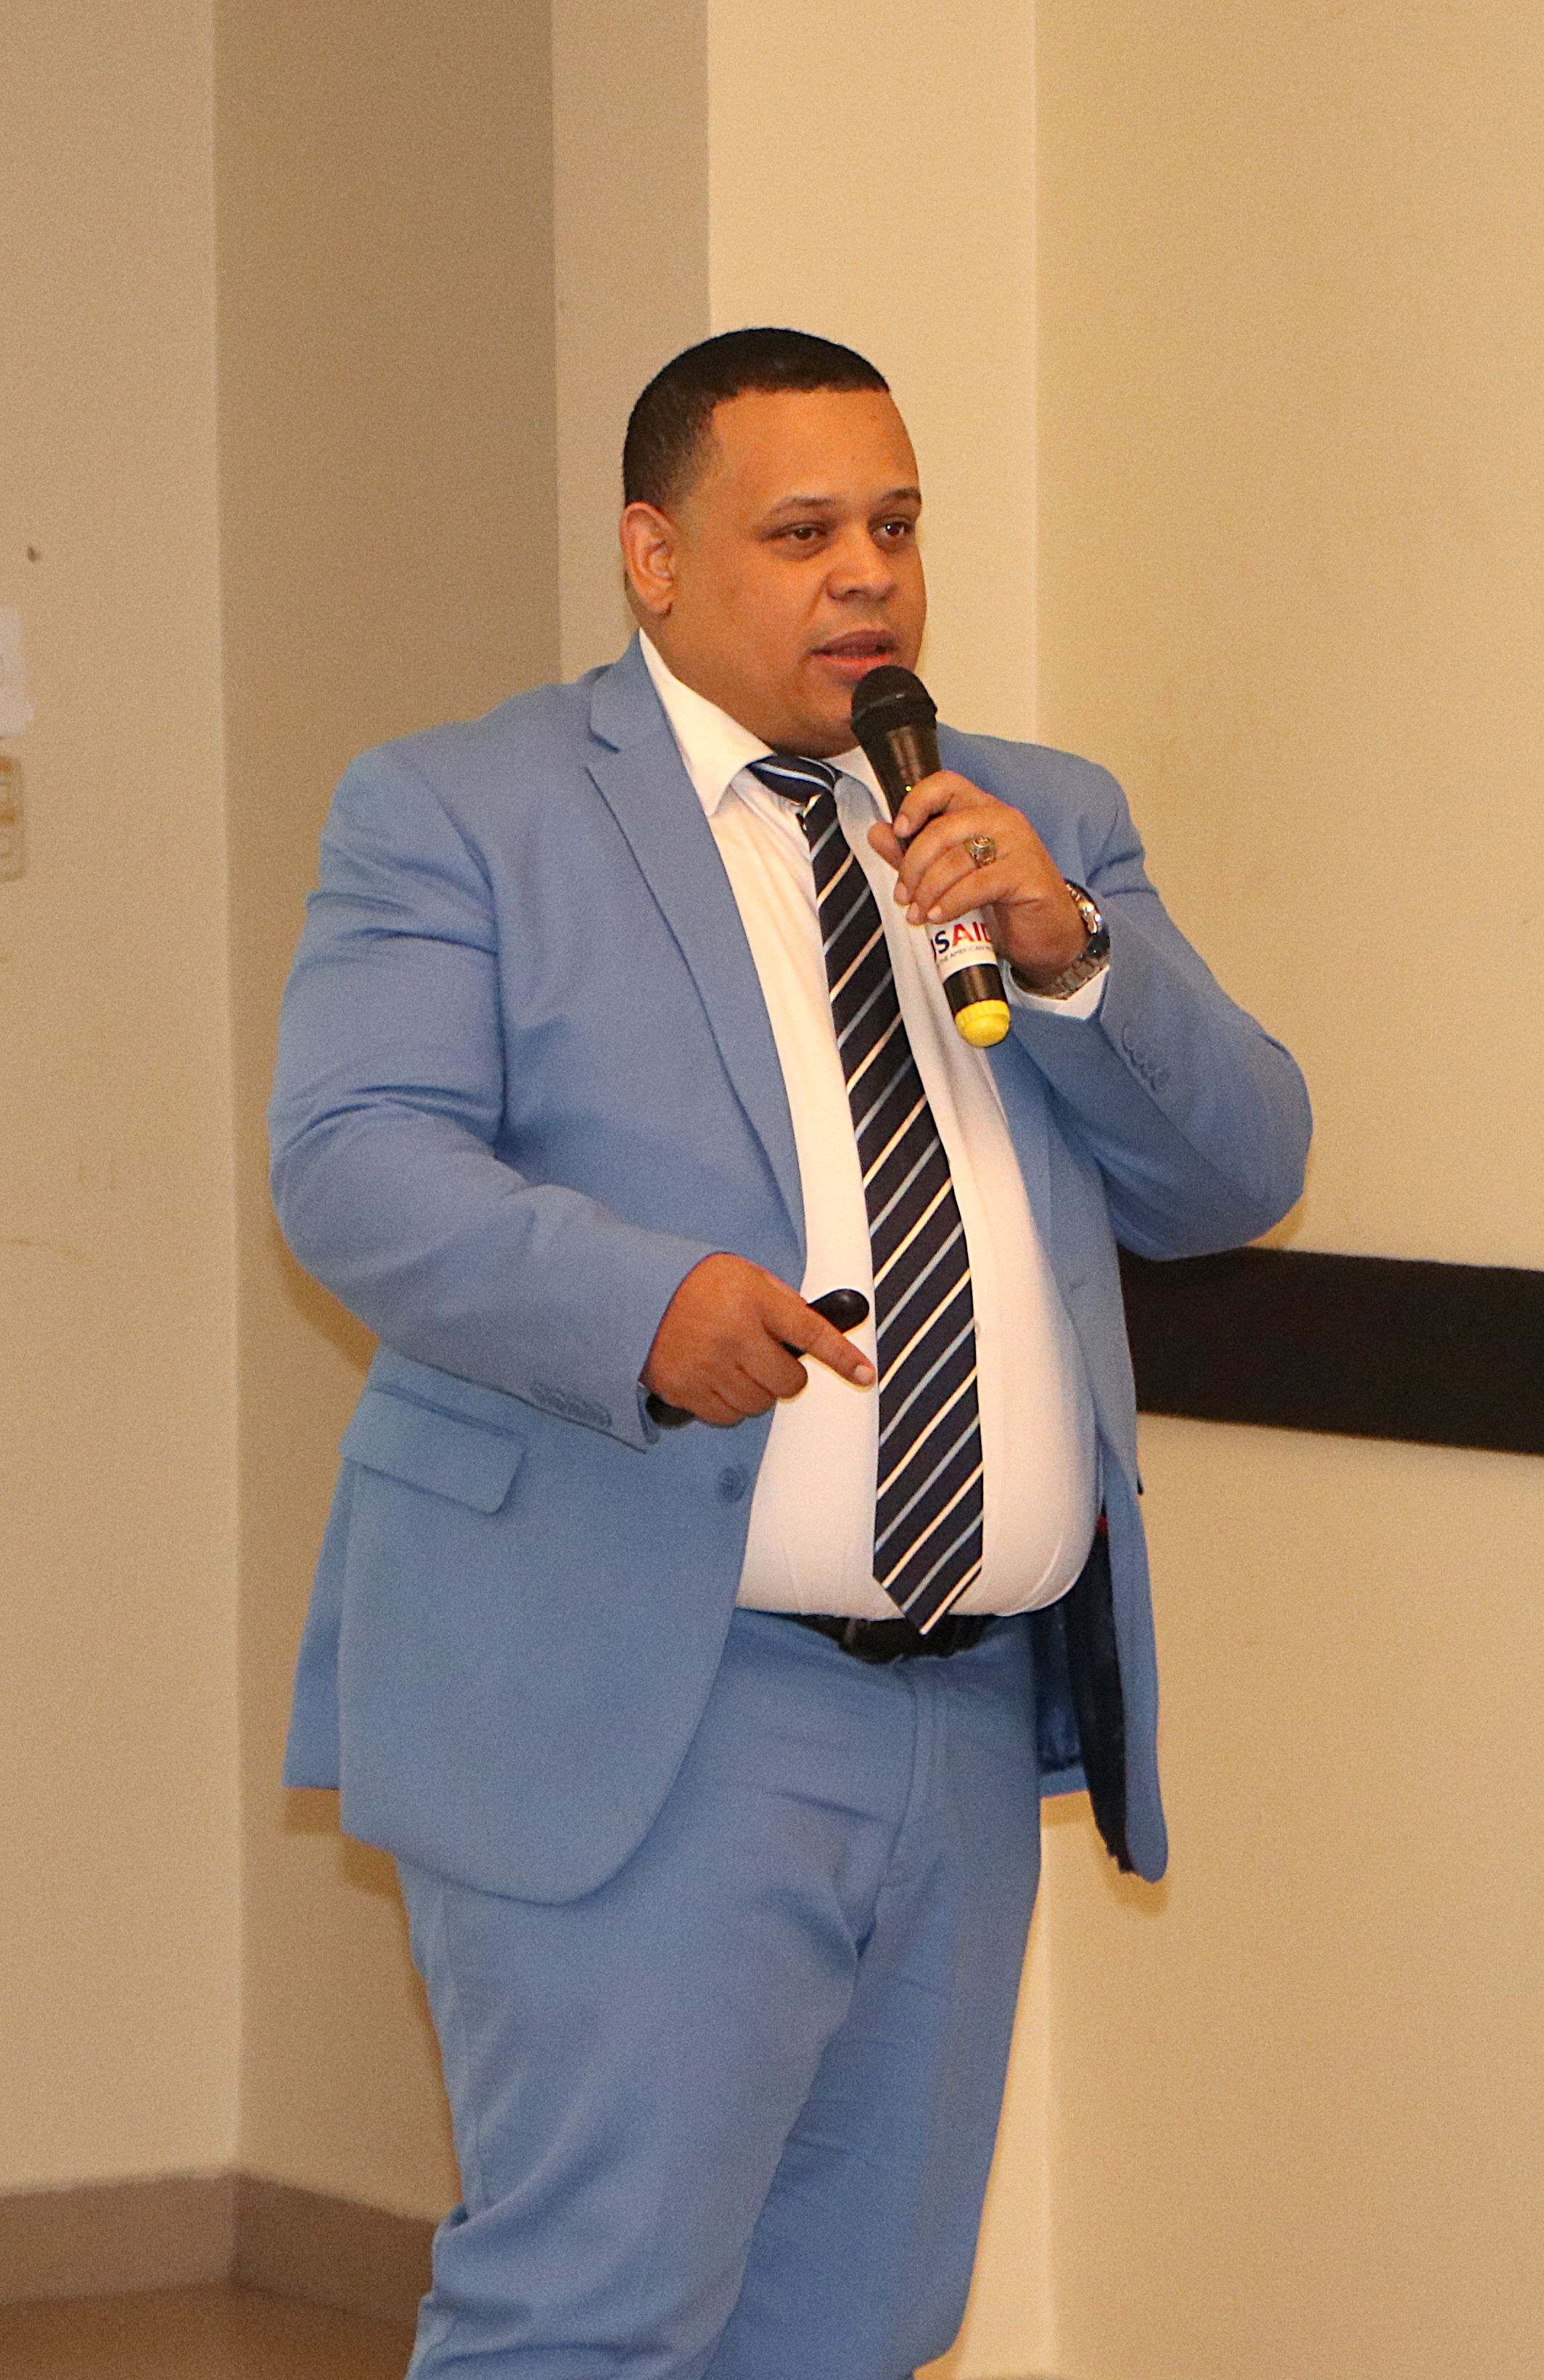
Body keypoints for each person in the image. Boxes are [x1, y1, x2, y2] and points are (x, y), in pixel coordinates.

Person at [272, 328, 1310, 2380]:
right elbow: (354, 1161)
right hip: (642, 1696)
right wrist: (638, 1307)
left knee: (861, 2325)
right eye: (805, 532)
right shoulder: (466, 808)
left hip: (963, 1709)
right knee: (593, 2319)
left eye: (897, 529)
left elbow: (1237, 1169)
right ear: (654, 559)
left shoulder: (1031, 819)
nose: (868, 578)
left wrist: (1073, 957)